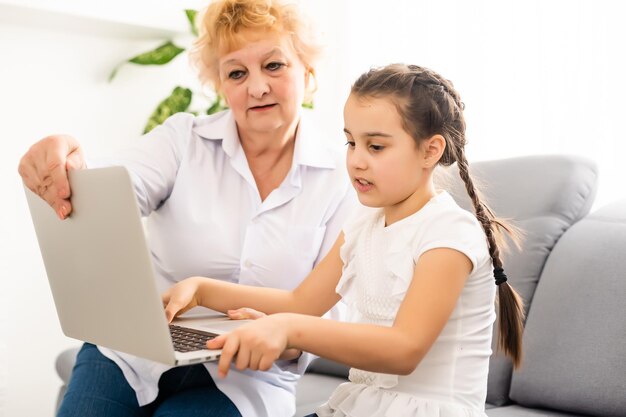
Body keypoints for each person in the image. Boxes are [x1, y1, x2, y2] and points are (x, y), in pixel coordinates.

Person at [18, 1, 356, 416]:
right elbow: (110, 188)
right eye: (236, 73)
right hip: (134, 351)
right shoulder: (184, 140)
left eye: (274, 66)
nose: (257, 87)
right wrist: (65, 160)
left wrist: (281, 336)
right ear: (219, 84)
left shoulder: (344, 178)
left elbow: (328, 310)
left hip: (247, 372)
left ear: (308, 70)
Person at [163, 63, 526, 417]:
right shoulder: (364, 222)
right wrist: (201, 290)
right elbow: (301, 302)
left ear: (430, 150)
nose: (356, 161)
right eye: (351, 142)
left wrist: (289, 329)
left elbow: (404, 349)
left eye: (376, 147)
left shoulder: (449, 232)